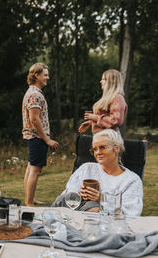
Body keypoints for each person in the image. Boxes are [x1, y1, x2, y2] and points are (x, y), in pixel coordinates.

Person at [52, 129, 143, 216]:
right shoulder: (86, 168)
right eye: (95, 149)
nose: (98, 152)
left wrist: (101, 199)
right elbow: (66, 197)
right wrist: (79, 194)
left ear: (117, 149)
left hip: (105, 223)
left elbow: (131, 213)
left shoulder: (131, 180)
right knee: (61, 200)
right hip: (74, 216)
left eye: (102, 147)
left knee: (95, 209)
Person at [22, 63, 59, 207]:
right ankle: (29, 203)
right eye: (45, 75)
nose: (47, 77)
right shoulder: (34, 95)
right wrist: (47, 139)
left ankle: (29, 199)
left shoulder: (33, 92)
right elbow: (34, 119)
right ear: (36, 75)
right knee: (35, 170)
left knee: (31, 168)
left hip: (34, 137)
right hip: (36, 137)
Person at [78, 69, 128, 135]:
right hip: (101, 137)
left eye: (104, 79)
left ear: (111, 82)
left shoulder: (118, 98)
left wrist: (95, 117)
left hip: (109, 138)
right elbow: (106, 117)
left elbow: (115, 121)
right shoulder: (108, 97)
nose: (101, 81)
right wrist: (91, 122)